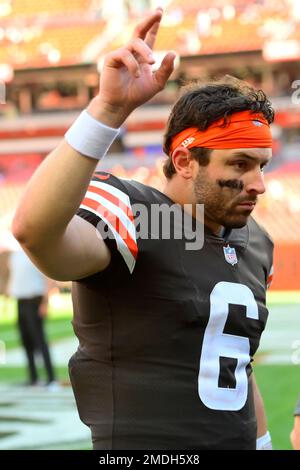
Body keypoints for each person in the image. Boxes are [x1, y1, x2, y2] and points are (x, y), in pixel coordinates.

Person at [12, 8, 273, 449]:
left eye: (262, 166)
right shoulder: (132, 210)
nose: (259, 184)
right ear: (186, 162)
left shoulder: (258, 241)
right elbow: (34, 232)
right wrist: (109, 109)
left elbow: (237, 363)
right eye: (241, 165)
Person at [8, 247, 57, 387]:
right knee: (26, 341)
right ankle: (33, 378)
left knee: (40, 341)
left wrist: (45, 302)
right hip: (20, 301)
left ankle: (51, 379)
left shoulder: (36, 253)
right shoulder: (15, 254)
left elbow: (48, 278)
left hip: (34, 300)